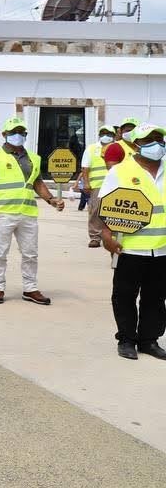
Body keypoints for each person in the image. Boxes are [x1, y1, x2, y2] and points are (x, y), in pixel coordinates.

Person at [96, 124, 166, 360]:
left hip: (162, 248)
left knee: (155, 297)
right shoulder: (120, 171)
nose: (156, 143)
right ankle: (126, 339)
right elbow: (107, 206)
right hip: (129, 246)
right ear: (136, 144)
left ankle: (149, 341)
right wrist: (106, 235)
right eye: (149, 139)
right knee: (125, 295)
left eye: (159, 138)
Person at [0, 116, 64, 305]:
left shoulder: (33, 158)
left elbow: (38, 183)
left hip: (28, 213)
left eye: (21, 132)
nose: (17, 135)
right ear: (4, 135)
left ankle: (30, 288)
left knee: (30, 253)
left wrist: (51, 200)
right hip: (3, 212)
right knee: (0, 253)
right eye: (13, 132)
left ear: (26, 135)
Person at [82, 124, 118, 247]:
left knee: (114, 211)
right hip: (97, 185)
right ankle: (95, 237)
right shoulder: (91, 148)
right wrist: (86, 183)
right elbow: (85, 168)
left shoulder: (118, 148)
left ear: (114, 136)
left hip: (115, 185)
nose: (105, 136)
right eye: (103, 133)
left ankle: (112, 235)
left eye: (109, 134)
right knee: (95, 211)